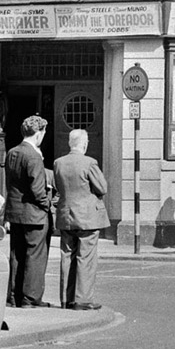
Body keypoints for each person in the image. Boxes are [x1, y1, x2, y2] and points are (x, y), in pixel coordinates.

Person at [52, 128, 107, 311]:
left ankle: (66, 299)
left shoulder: (58, 163)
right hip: (87, 217)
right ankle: (82, 299)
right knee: (86, 257)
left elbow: (58, 186)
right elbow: (102, 188)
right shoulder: (89, 163)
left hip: (66, 215)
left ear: (70, 143)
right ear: (84, 144)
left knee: (67, 255)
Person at [5, 115, 54, 308]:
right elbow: (37, 189)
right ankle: (30, 298)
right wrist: (47, 204)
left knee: (16, 254)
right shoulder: (33, 156)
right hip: (34, 213)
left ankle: (14, 296)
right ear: (39, 133)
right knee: (35, 256)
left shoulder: (12, 152)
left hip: (15, 212)